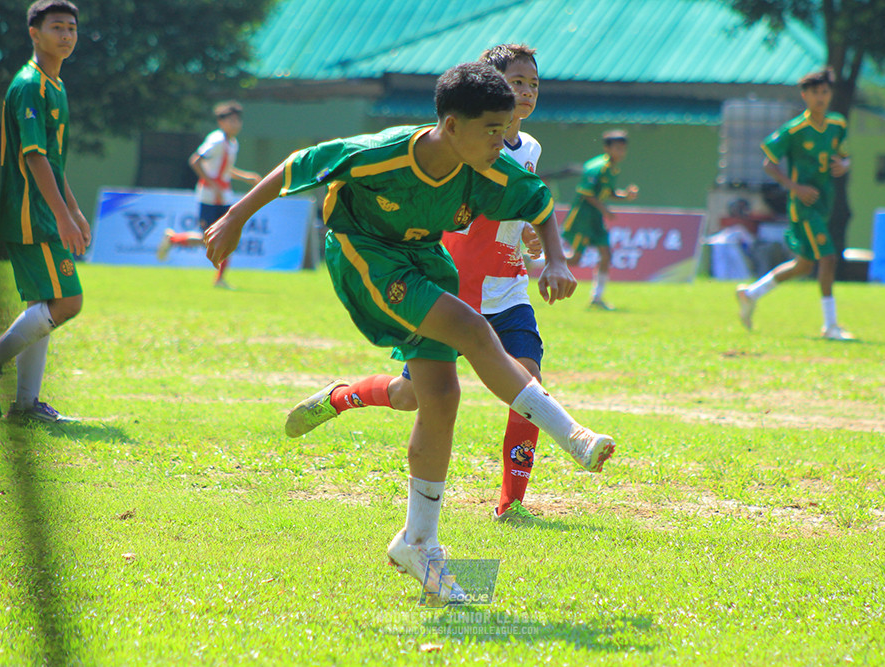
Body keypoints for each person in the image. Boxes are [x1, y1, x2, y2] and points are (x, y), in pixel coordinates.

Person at [204, 62, 615, 601]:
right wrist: (235, 217)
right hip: (364, 254)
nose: (501, 141)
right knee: (471, 328)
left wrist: (556, 260)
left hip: (424, 260)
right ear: (451, 125)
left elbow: (538, 203)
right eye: (491, 130)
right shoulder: (381, 153)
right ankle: (573, 435)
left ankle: (417, 542)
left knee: (437, 396)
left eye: (505, 129)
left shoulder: (489, 168)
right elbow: (298, 165)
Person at [284, 44, 552, 526]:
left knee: (529, 384)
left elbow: (519, 204)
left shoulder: (528, 148)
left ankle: (511, 502)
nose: (526, 92)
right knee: (412, 397)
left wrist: (532, 236)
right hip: (453, 291)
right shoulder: (458, 142)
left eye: (533, 84)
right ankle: (342, 397)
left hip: (506, 289)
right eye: (516, 83)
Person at [0, 0, 88, 423]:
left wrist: (73, 210)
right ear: (34, 33)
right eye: (57, 27)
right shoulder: (30, 85)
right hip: (30, 213)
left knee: (44, 303)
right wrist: (62, 217)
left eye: (71, 28)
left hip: (43, 211)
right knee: (68, 302)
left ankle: (25, 405)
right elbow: (34, 157)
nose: (66, 35)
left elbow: (53, 160)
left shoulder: (55, 85)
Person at [736, 67, 854, 340]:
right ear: (805, 96)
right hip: (803, 205)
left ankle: (750, 293)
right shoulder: (794, 129)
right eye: (815, 93)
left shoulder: (837, 124)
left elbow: (844, 155)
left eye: (824, 92)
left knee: (804, 266)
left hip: (824, 201)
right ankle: (830, 326)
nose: (820, 98)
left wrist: (845, 164)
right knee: (828, 257)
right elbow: (769, 163)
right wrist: (795, 187)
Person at [156, 101, 261, 288]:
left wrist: (246, 177)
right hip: (210, 197)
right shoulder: (217, 140)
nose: (236, 124)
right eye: (231, 121)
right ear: (221, 122)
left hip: (224, 195)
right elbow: (195, 160)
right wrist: (212, 184)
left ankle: (220, 279)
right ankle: (173, 239)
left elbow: (225, 169)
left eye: (238, 120)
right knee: (210, 238)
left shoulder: (232, 143)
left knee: (228, 236)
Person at [562, 129, 639, 310]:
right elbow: (586, 193)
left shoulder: (613, 168)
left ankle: (597, 298)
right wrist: (605, 210)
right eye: (617, 148)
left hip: (596, 217)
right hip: (584, 217)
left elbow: (607, 192)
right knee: (574, 259)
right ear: (607, 148)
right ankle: (533, 261)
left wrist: (625, 195)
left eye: (623, 148)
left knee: (606, 254)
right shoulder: (597, 167)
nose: (621, 152)